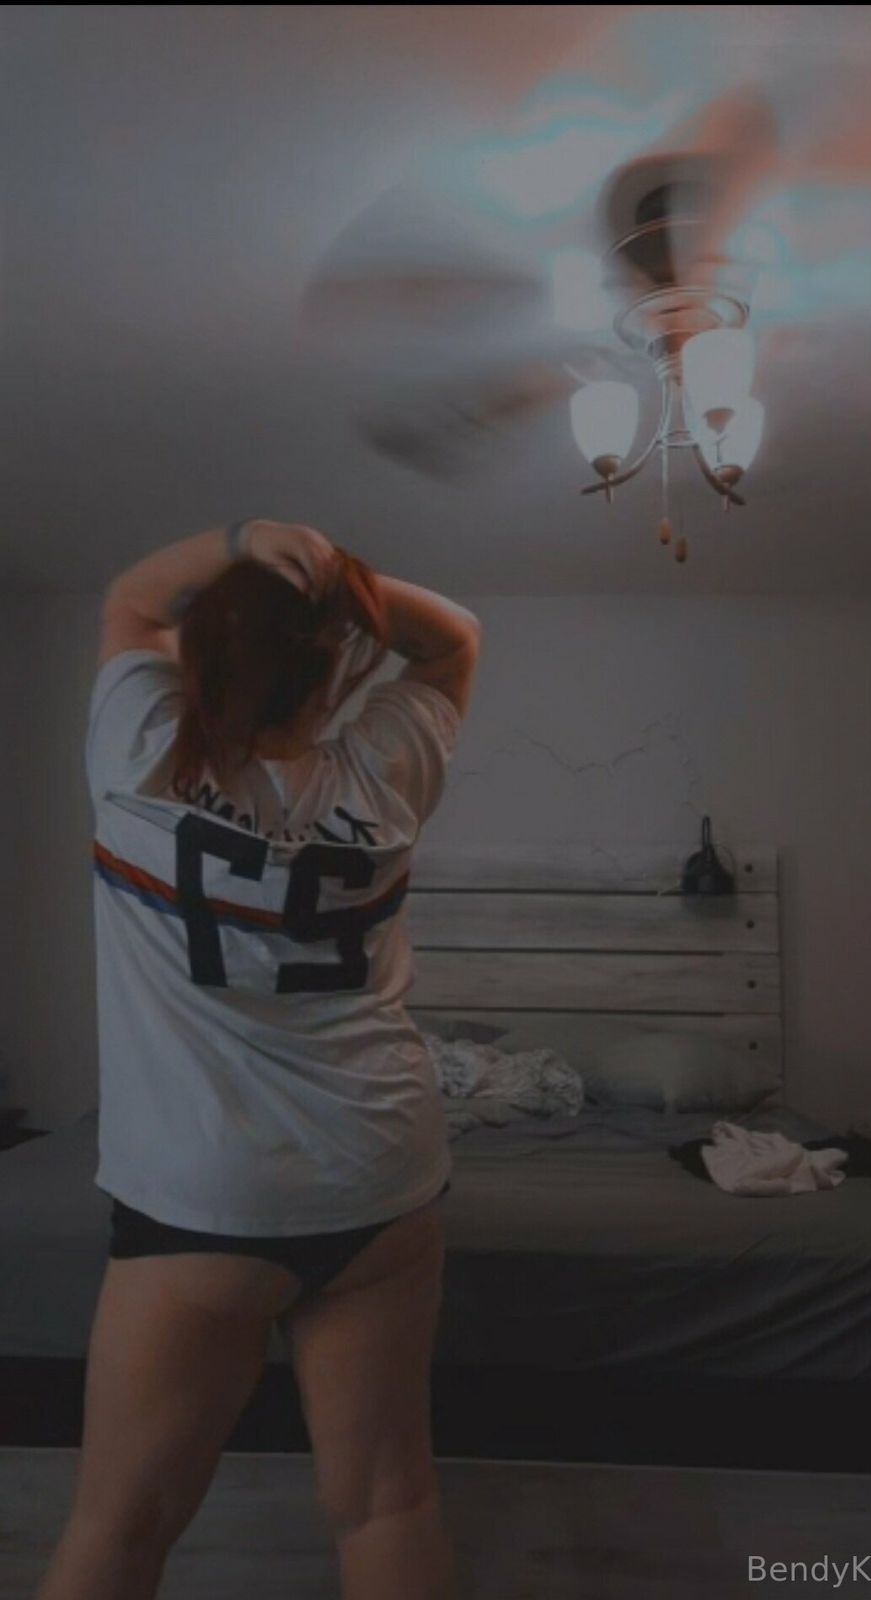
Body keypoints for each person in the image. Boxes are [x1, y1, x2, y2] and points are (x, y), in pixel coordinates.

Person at [34, 518, 480, 1600]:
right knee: (389, 1503)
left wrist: (243, 539)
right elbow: (454, 637)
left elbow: (132, 598)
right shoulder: (384, 771)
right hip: (381, 1173)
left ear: (199, 659)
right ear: (332, 671)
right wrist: (340, 574)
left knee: (120, 1529)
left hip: (205, 1199)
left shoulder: (139, 752)